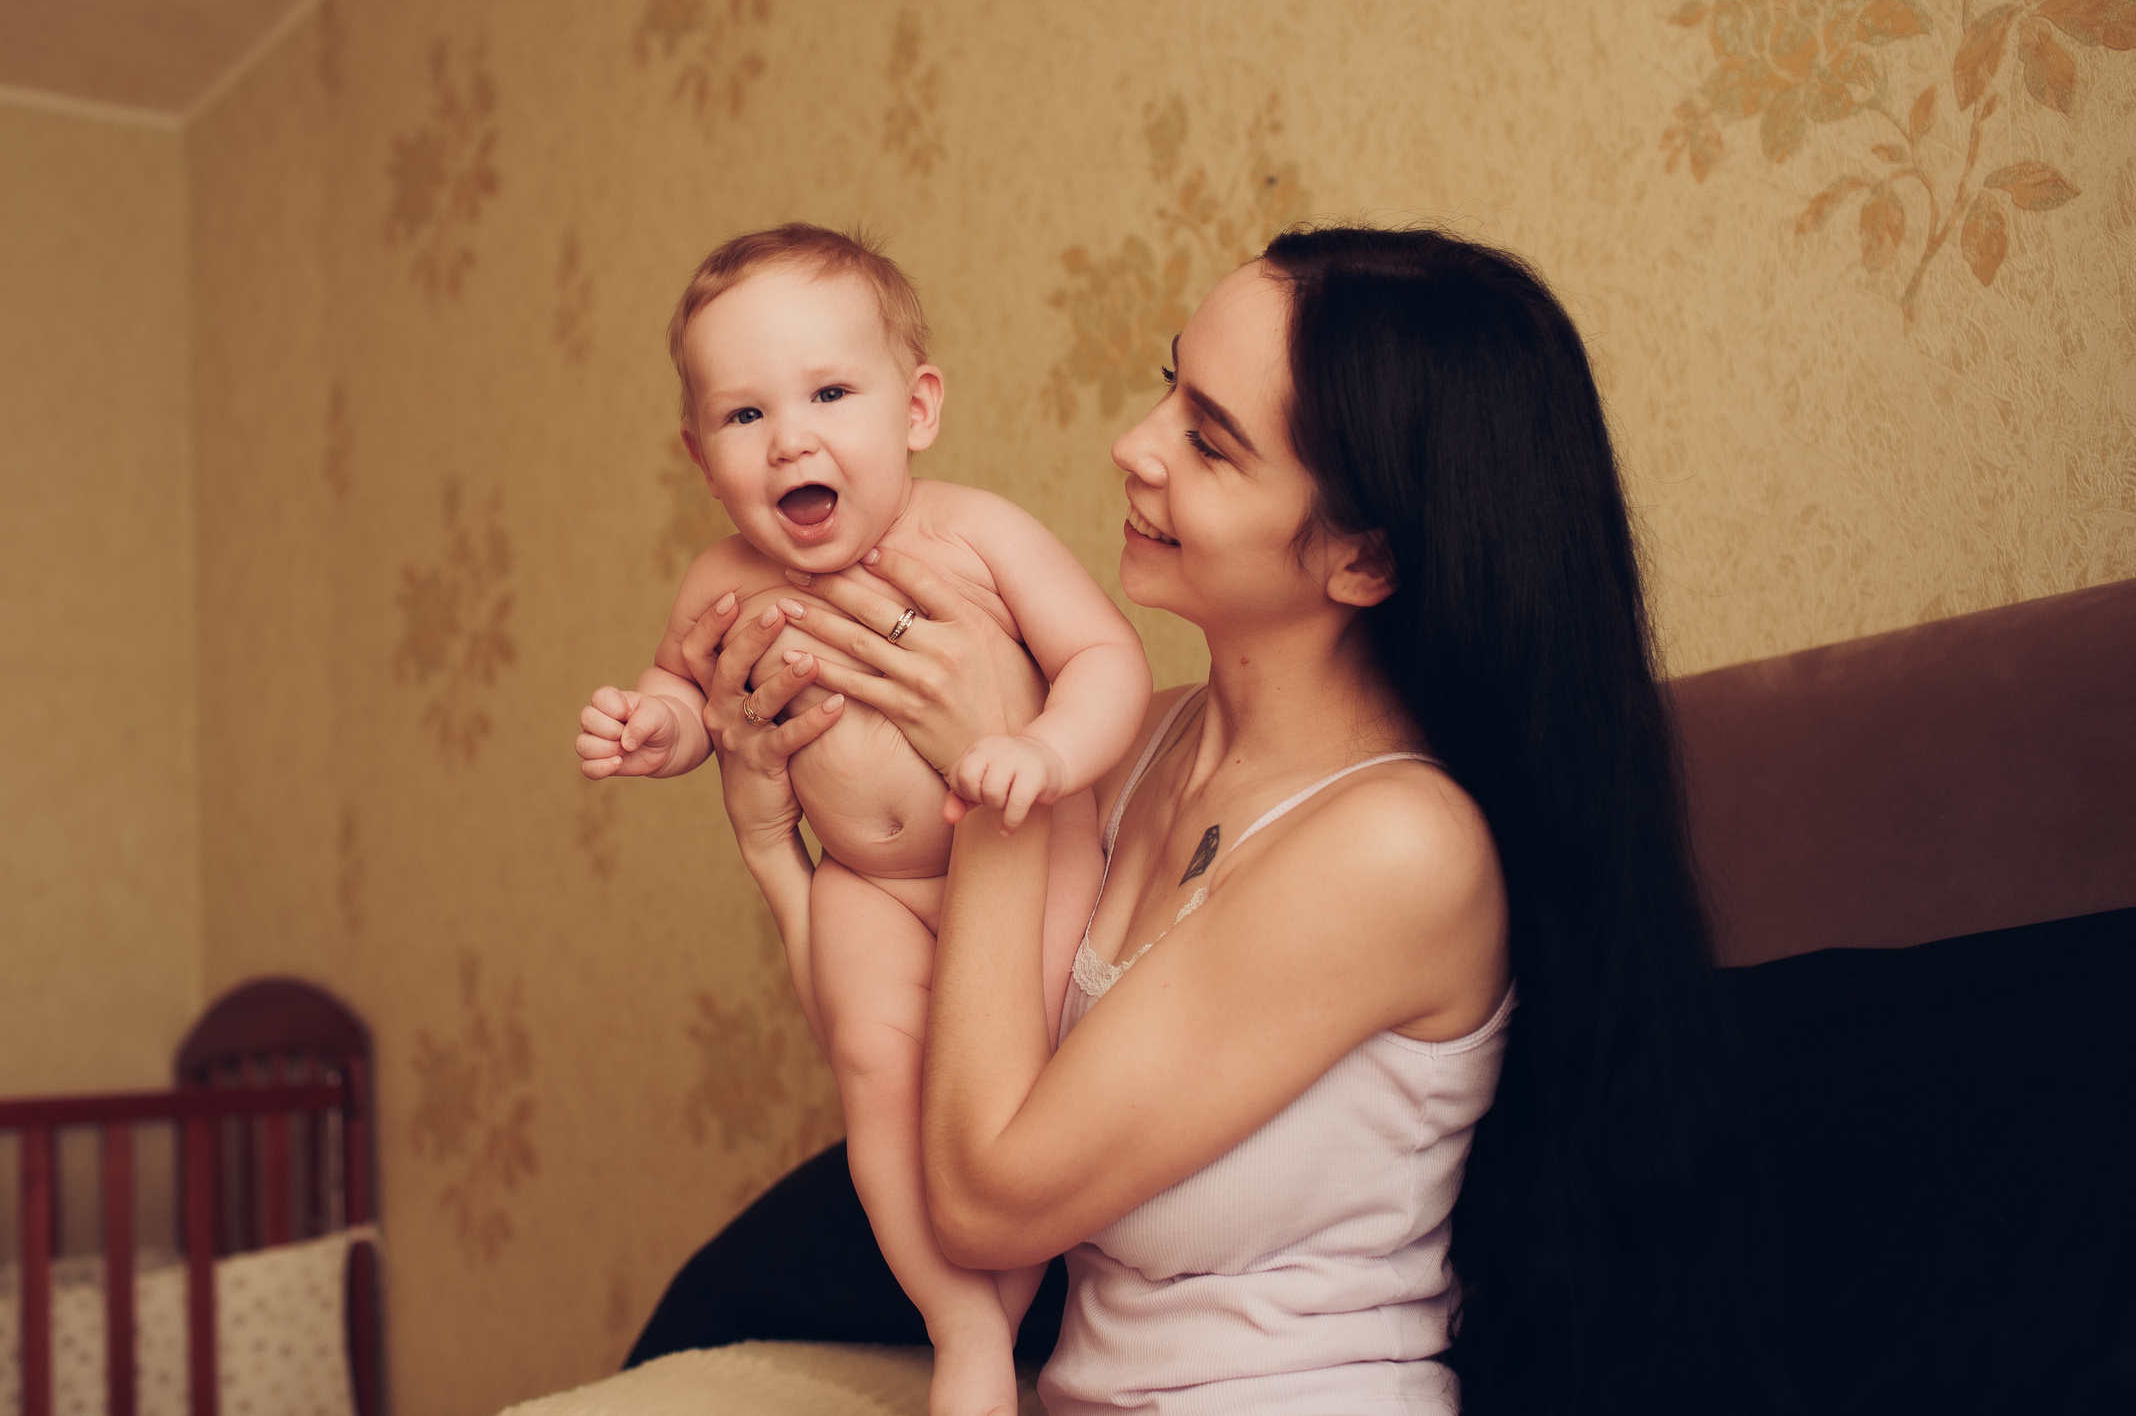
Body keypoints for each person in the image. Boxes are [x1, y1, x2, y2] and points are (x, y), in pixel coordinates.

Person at [676, 228, 1756, 1415]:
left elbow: (985, 1199)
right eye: (1168, 385)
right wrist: (775, 849)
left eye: (1208, 439)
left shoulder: (1398, 846)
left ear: (1363, 558)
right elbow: (909, 1049)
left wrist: (991, 789)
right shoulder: (1138, 751)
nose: (1131, 447)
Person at [573, 224, 1153, 1416]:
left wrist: (1041, 754)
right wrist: (656, 729)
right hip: (865, 886)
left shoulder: (975, 534)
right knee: (875, 1068)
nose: (790, 437)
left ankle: (1006, 1304)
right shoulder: (719, 582)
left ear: (916, 408)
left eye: (830, 393)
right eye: (744, 415)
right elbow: (690, 694)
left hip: (1026, 853)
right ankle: (962, 1327)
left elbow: (1107, 658)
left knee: (1017, 1091)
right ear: (701, 457)